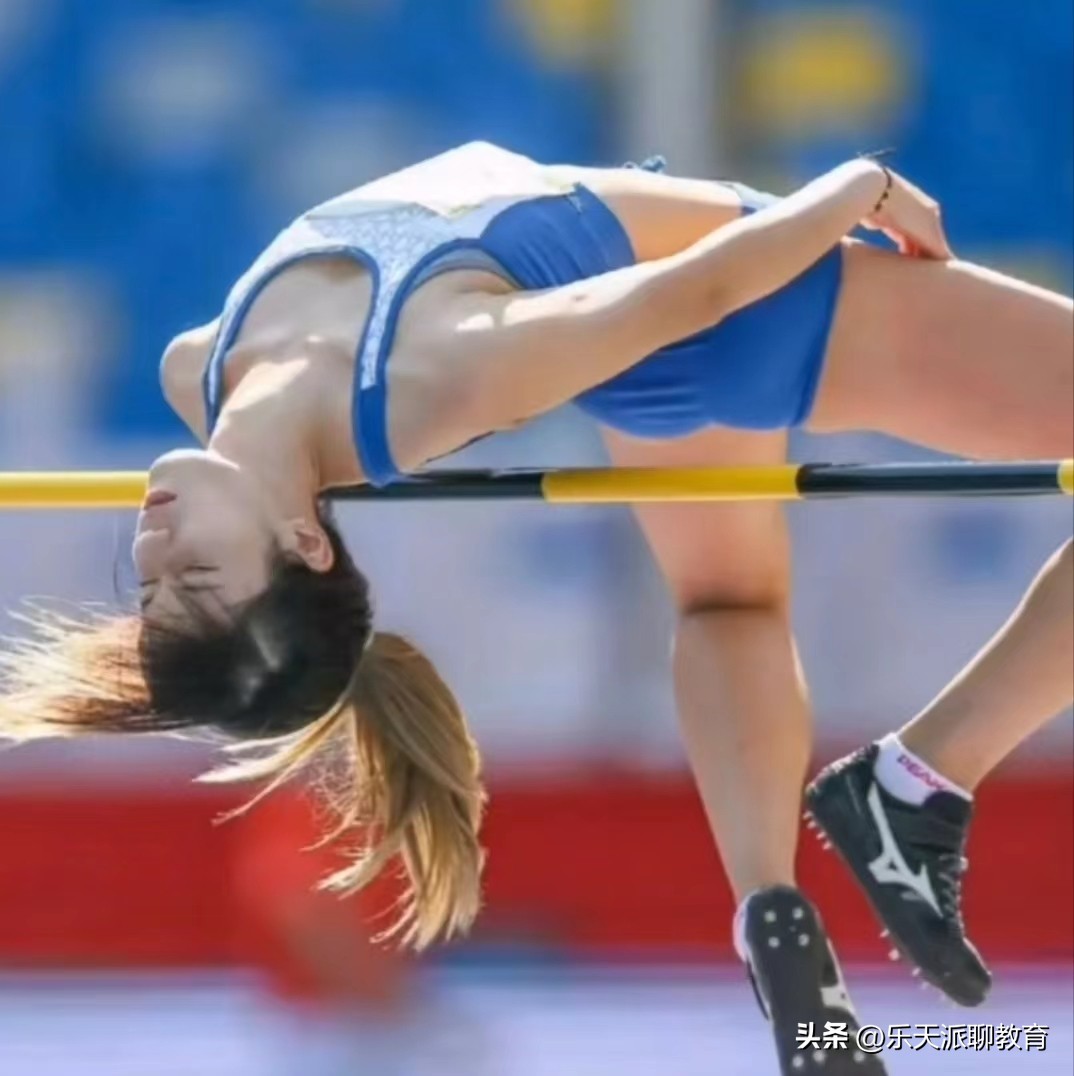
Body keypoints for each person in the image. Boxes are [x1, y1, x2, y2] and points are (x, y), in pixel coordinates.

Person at [0, 141, 1070, 1076]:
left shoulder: (201, 371)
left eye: (153, 584)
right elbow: (685, 299)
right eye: (197, 576)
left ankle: (769, 907)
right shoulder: (434, 375)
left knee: (728, 596)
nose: (153, 543)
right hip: (751, 297)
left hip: (654, 349)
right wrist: (856, 186)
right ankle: (921, 777)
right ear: (303, 541)